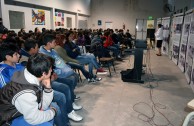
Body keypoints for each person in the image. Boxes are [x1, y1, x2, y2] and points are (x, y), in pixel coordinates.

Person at [0, 53, 57, 126]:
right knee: (48, 122)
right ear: (43, 73)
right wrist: (53, 112)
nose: (52, 71)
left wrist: (48, 88)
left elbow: (42, 105)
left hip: (19, 111)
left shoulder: (31, 74)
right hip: (8, 119)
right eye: (50, 69)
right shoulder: (26, 93)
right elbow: (33, 119)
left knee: (51, 110)